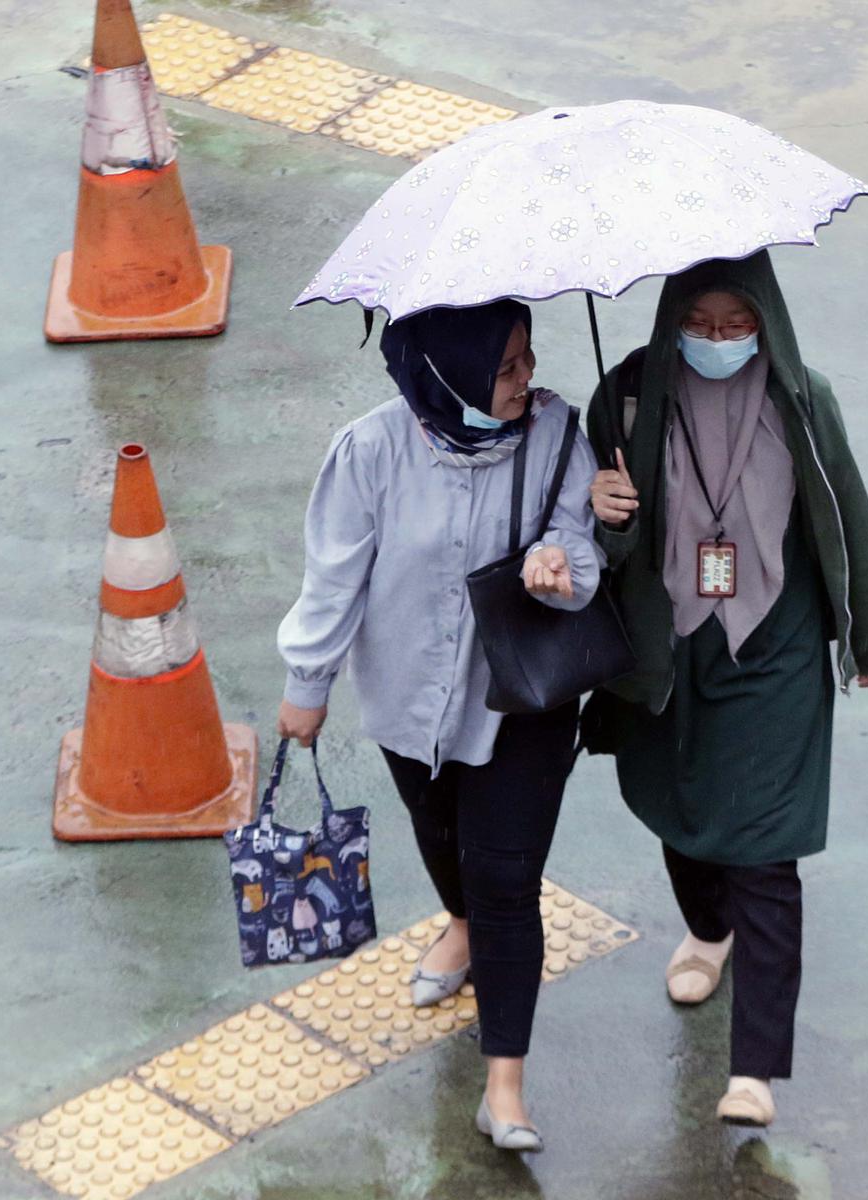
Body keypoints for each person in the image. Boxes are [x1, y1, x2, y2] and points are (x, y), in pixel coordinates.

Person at [277, 299, 603, 1151]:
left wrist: (566, 562)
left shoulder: (559, 433)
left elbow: (582, 538)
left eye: (528, 358)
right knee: (440, 833)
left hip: (520, 702)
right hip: (408, 699)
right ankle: (456, 923)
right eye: (505, 368)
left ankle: (504, 1088)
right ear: (448, 371)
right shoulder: (372, 451)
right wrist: (306, 685)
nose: (526, 380)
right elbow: (333, 578)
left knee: (505, 877)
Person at [583, 250, 868, 1127]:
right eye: (699, 324)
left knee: (765, 849)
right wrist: (600, 504)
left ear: (768, 320)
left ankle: (754, 1067)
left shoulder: (805, 400)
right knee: (685, 815)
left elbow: (851, 521)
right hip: (669, 646)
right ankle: (705, 930)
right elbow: (589, 540)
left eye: (737, 324)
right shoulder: (629, 397)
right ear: (672, 318)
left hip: (777, 650)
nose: (718, 341)